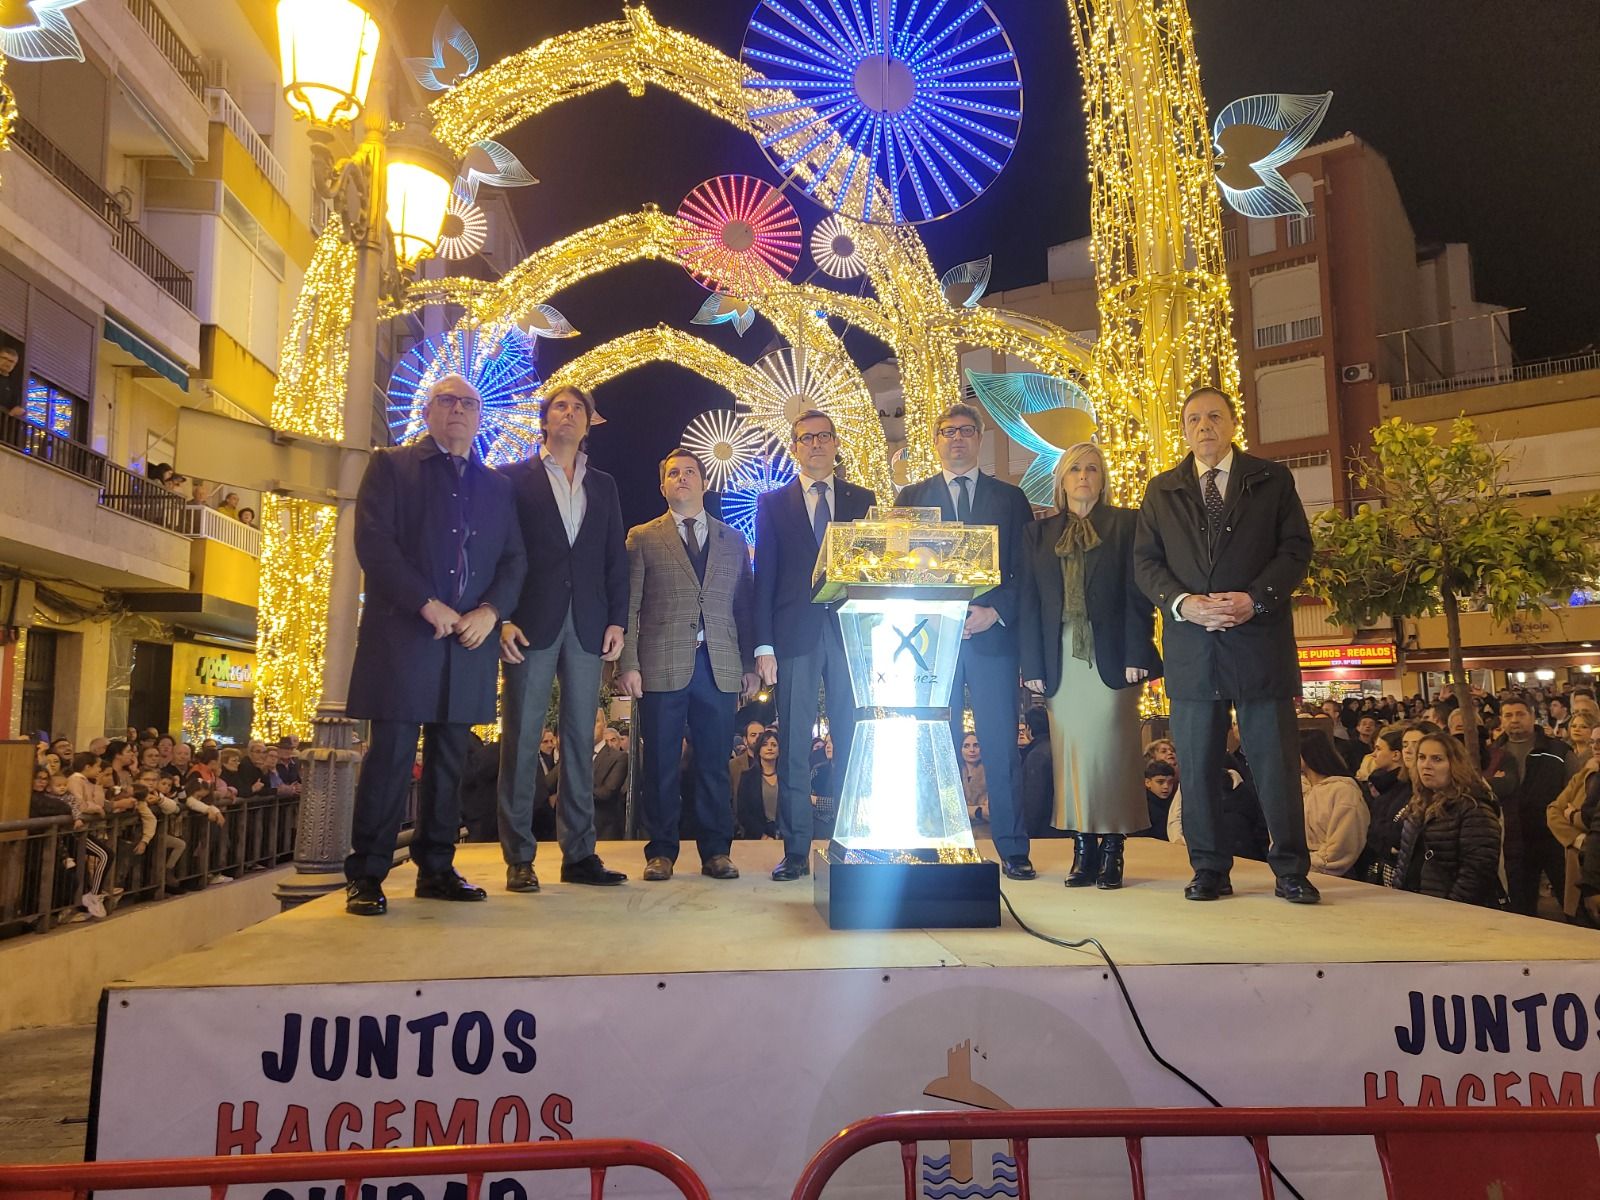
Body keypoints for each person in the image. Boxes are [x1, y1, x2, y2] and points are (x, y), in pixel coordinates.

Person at [342, 373, 527, 916]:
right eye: (447, 401)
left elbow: (515, 560)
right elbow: (374, 545)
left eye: (469, 403)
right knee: (392, 759)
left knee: (452, 761)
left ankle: (438, 868)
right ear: (427, 411)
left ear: (478, 416)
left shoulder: (497, 486)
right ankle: (368, 874)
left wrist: (491, 612)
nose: (459, 410)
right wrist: (428, 602)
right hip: (405, 635)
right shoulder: (391, 467)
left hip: (469, 641)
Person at [1134, 386, 1318, 904]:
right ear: (1184, 429)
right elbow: (1145, 563)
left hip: (1259, 643)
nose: (1204, 426)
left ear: (1233, 424)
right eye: (1194, 419)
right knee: (1195, 764)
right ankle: (1209, 868)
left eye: (1214, 416)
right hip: (1193, 647)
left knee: (1275, 764)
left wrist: (1255, 600)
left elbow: (1296, 548)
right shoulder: (1161, 489)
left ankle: (1290, 870)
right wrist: (1182, 603)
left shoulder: (1272, 479)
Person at [897, 403, 1038, 879]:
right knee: (937, 745)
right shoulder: (911, 497)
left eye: (965, 431)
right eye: (946, 431)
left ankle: (1014, 849)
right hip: (932, 644)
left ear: (979, 438)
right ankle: (938, 842)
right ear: (934, 440)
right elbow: (897, 572)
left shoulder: (1010, 497)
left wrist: (994, 612)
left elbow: (1026, 571)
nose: (956, 438)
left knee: (1000, 746)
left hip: (992, 639)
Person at [497, 384, 628, 892]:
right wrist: (502, 616)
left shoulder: (605, 485)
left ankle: (579, 855)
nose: (569, 414)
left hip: (589, 624)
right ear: (545, 420)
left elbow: (613, 558)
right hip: (530, 622)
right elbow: (503, 552)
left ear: (590, 422)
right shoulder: (514, 480)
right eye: (560, 407)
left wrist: (617, 618)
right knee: (523, 739)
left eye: (579, 408)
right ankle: (519, 857)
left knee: (581, 739)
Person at [1020, 442, 1161, 890]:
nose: (1084, 476)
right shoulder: (1037, 534)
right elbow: (1029, 605)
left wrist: (1139, 652)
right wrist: (1032, 664)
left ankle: (1113, 848)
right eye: (1075, 469)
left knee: (1113, 753)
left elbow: (1138, 595)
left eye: (1093, 469)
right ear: (1061, 480)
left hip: (1113, 657)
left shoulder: (1127, 524)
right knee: (1073, 756)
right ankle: (1083, 848)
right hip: (1060, 658)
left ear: (1103, 479)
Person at [617, 447, 755, 881]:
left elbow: (744, 606)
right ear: (662, 485)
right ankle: (660, 851)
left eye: (690, 472)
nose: (682, 478)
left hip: (719, 664)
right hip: (659, 664)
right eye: (673, 473)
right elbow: (630, 604)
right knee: (659, 762)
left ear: (704, 482)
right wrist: (628, 662)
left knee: (714, 763)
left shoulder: (734, 540)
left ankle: (717, 851)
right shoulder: (642, 537)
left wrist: (750, 662)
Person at [752, 410, 874, 881]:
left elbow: (875, 569)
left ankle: (850, 840)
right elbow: (765, 578)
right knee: (795, 746)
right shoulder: (772, 503)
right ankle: (797, 849)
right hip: (794, 635)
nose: (816, 444)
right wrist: (764, 646)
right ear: (795, 447)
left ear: (836, 442)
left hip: (851, 635)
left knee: (852, 739)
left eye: (824, 436)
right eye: (806, 438)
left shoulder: (863, 500)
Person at [1391, 732, 1504, 907]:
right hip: (1414, 905)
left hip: (1450, 911)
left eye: (1437, 759)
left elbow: (1477, 872)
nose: (1426, 765)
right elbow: (1406, 861)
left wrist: (1451, 908)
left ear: (1454, 764)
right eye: (1421, 757)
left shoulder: (1473, 807)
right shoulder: (1419, 802)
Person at [1487, 694, 1570, 917]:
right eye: (1508, 715)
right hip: (1513, 840)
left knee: (1570, 901)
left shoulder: (1557, 750)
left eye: (1520, 714)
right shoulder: (1492, 755)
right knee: (1521, 905)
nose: (1514, 719)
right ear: (1501, 720)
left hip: (1552, 837)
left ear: (1533, 716)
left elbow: (1573, 789)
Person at [1299, 730, 1370, 879]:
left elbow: (1343, 844)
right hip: (1297, 870)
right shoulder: (1297, 787)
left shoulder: (1343, 791)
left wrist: (1309, 864)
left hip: (1332, 875)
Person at [1547, 719, 1600, 921]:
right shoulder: (1585, 774)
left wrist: (1572, 816)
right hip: (1577, 865)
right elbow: (1553, 810)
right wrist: (1578, 840)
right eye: (1593, 742)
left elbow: (1591, 820)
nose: (1596, 747)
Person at [1361, 725, 1414, 885]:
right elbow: (1373, 831)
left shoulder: (1406, 789)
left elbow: (1397, 834)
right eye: (1406, 745)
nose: (1373, 754)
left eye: (1378, 749)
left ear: (1395, 755)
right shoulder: (1381, 786)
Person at [591, 706, 629, 841]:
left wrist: (573, 792)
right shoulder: (574, 755)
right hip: (574, 831)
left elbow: (607, 792)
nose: (591, 725)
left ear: (604, 725)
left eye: (596, 721)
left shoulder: (619, 758)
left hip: (604, 831)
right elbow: (548, 783)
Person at [736, 728, 781, 839]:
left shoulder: (786, 778)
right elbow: (743, 812)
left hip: (783, 838)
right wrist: (762, 836)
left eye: (774, 745)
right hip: (756, 838)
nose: (769, 748)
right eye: (765, 745)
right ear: (759, 749)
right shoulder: (747, 777)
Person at [1019, 708, 1055, 839]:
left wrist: (1028, 831)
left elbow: (1034, 797)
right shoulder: (1059, 749)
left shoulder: (1037, 755)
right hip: (1063, 824)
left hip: (1044, 828)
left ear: (1029, 728)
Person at [728, 718, 766, 813]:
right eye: (753, 735)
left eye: (761, 735)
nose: (757, 738)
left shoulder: (772, 763)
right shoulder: (734, 765)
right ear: (745, 740)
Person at [959, 733, 989, 827]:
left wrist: (964, 810)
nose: (972, 750)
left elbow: (989, 811)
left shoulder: (990, 773)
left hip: (986, 832)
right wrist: (977, 811)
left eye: (976, 745)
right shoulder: (953, 772)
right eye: (966, 746)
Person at [1142, 762, 1176, 838]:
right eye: (1160, 782)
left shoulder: (1175, 804)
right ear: (1147, 782)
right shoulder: (1141, 807)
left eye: (1170, 782)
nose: (1166, 786)